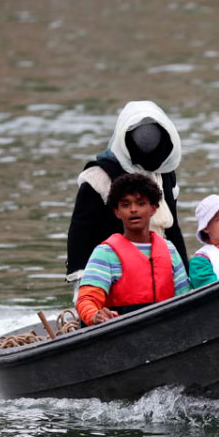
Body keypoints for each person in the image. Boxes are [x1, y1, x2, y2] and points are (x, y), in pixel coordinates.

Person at [65, 100, 189, 301]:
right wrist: (82, 280)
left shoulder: (164, 175)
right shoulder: (100, 175)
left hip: (159, 261)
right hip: (110, 268)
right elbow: (80, 229)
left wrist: (185, 273)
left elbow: (173, 228)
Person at [75, 173, 190, 326]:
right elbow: (86, 299)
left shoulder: (169, 250)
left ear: (153, 209)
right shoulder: (105, 253)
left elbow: (185, 297)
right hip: (121, 334)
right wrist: (95, 315)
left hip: (168, 328)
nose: (133, 210)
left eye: (141, 203)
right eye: (126, 205)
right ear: (117, 212)